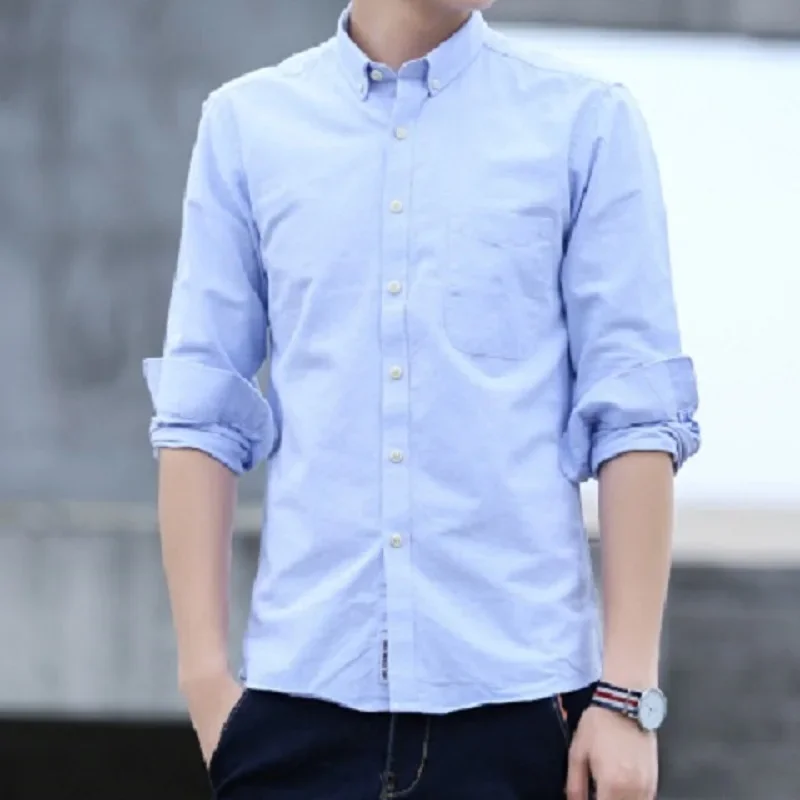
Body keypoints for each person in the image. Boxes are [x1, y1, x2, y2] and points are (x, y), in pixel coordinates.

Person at [143, 0, 700, 797]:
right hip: (297, 707)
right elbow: (201, 412)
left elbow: (636, 412)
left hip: (523, 711)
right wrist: (206, 684)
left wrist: (627, 694)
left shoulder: (585, 122)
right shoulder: (248, 125)